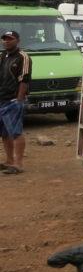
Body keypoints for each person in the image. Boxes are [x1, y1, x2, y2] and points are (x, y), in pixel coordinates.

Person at [0, 31, 31, 175]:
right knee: (5, 133)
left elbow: (24, 79)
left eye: (10, 39)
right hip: (2, 99)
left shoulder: (23, 57)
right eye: (4, 39)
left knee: (16, 132)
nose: (6, 41)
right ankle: (9, 161)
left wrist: (19, 99)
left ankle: (19, 164)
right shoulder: (2, 56)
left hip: (13, 100)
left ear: (17, 40)